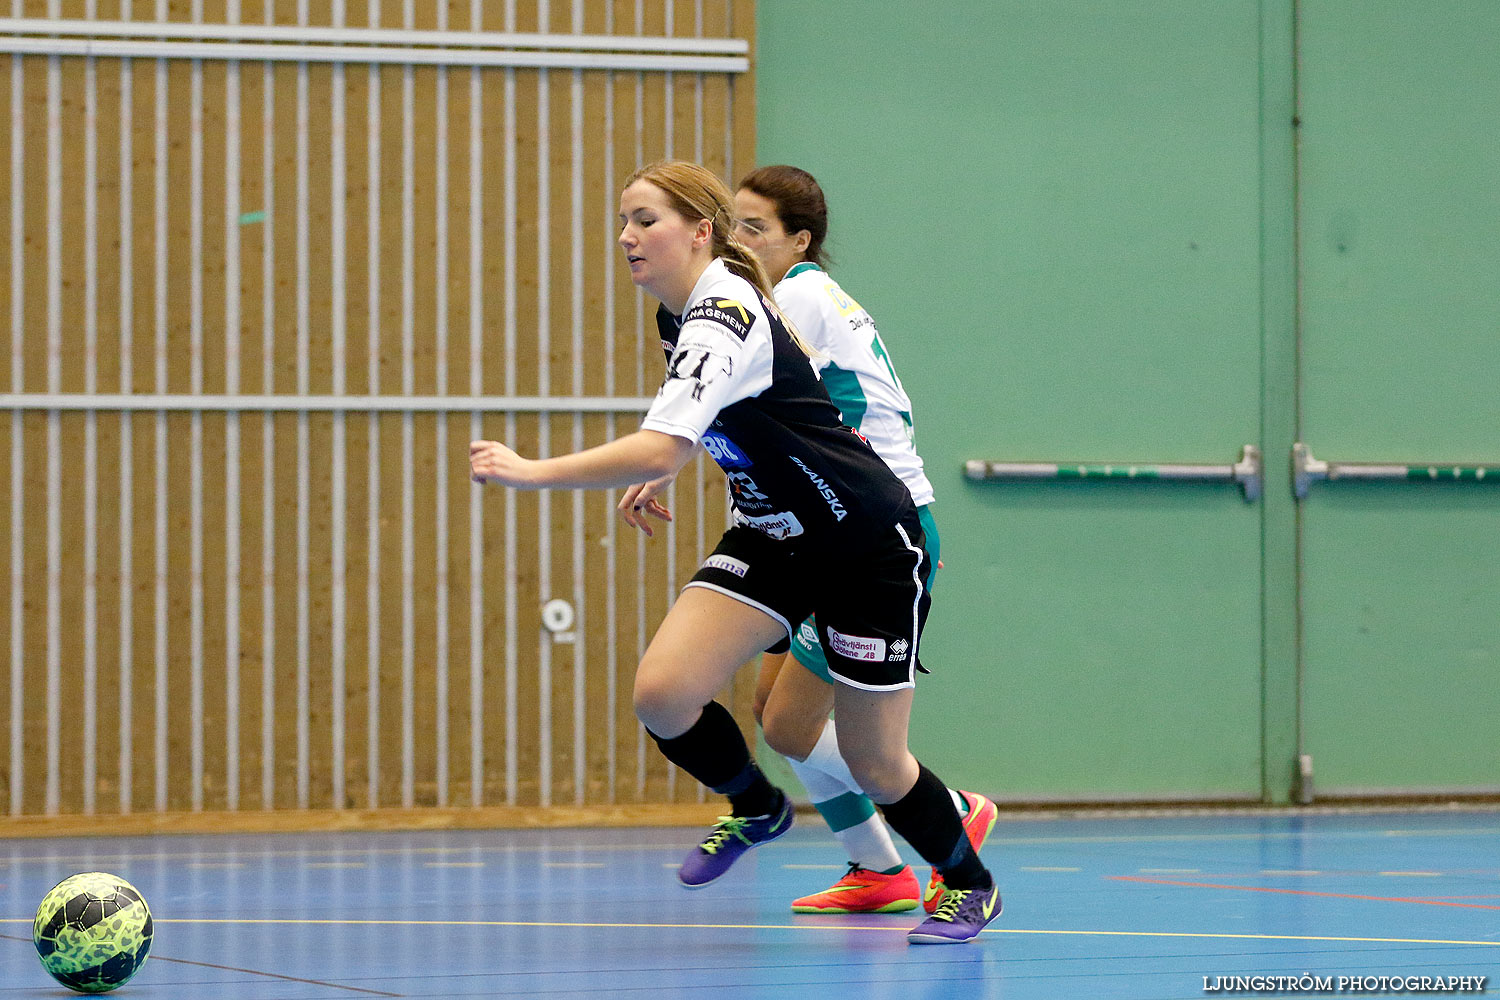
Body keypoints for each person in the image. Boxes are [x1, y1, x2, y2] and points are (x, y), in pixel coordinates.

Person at [470, 159, 1001, 945]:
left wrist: (535, 471)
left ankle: (966, 881)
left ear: (699, 231)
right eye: (622, 221)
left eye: (645, 220)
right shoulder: (676, 314)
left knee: (876, 761)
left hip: (860, 539)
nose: (627, 237)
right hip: (773, 532)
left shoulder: (727, 311)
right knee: (663, 692)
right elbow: (715, 426)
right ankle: (756, 805)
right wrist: (671, 463)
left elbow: (662, 445)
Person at [730, 164, 998, 916]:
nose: (739, 242)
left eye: (756, 229)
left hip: (876, 531)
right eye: (732, 227)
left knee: (805, 728)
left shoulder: (796, 298)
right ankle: (877, 870)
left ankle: (949, 812)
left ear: (800, 241)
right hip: (820, 527)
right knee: (772, 709)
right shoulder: (791, 298)